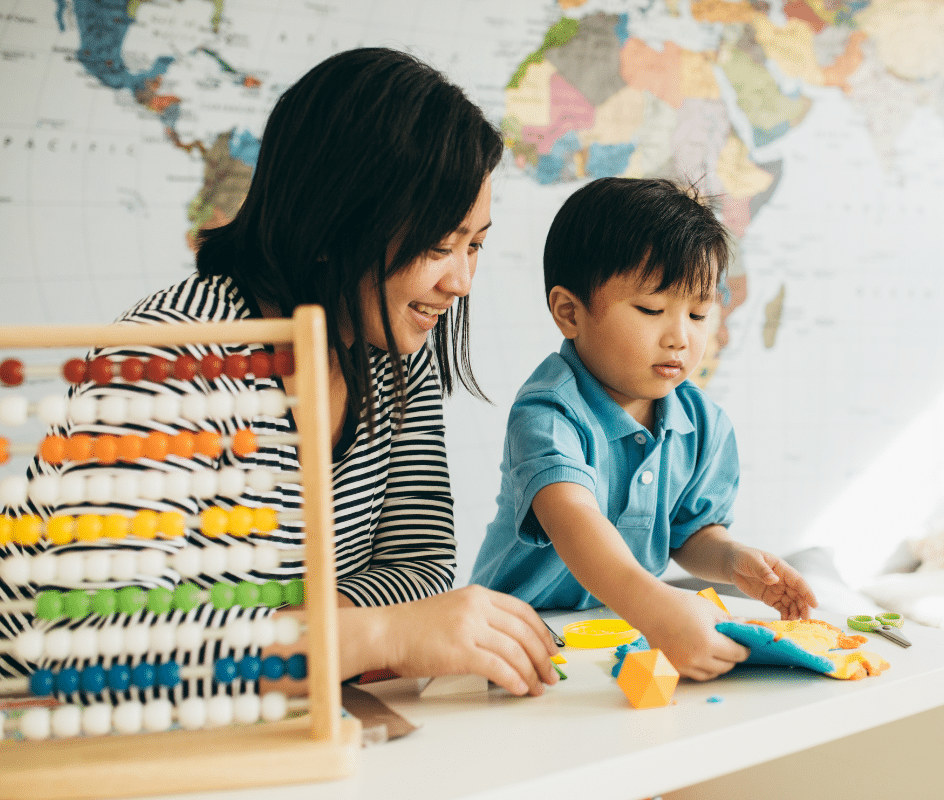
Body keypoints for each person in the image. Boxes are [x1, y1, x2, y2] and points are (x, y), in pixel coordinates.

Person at [0, 47, 558, 701]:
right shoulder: (166, 359)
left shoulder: (393, 359)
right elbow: (101, 640)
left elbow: (422, 568)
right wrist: (371, 637)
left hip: (263, 712)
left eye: (475, 245)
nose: (460, 281)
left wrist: (308, 636)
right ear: (334, 221)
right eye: (439, 245)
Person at [471, 177, 817, 681]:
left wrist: (734, 561)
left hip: (621, 633)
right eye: (652, 310)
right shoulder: (547, 412)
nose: (680, 336)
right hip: (517, 640)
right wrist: (657, 607)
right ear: (570, 312)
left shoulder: (702, 424)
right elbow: (573, 520)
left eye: (699, 313)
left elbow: (690, 533)